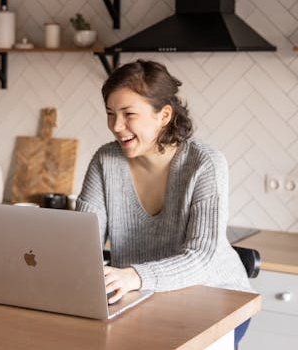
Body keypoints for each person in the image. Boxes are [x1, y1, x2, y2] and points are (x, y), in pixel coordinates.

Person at [74, 59, 253, 347]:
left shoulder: (204, 163)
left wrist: (135, 276)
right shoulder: (105, 160)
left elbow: (201, 259)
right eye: (110, 114)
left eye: (128, 114)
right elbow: (81, 243)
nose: (116, 126)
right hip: (138, 299)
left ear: (164, 115)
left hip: (215, 300)